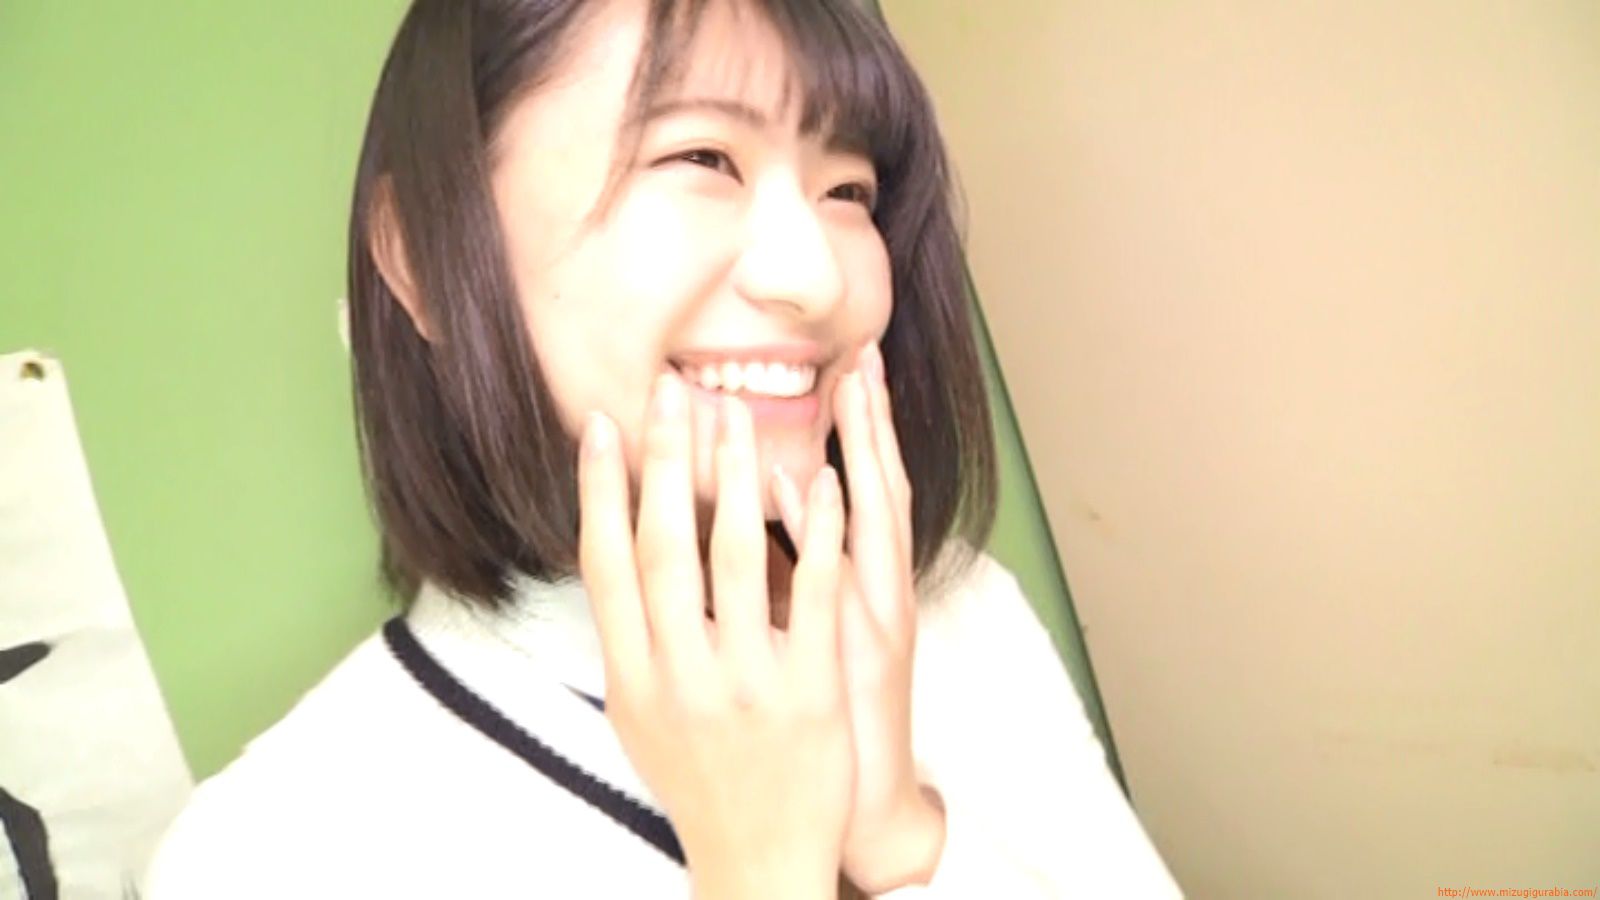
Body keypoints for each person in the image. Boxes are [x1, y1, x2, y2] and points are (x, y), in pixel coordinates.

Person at [143, 0, 1183, 896]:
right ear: (419, 252)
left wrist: (904, 839)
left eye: (849, 190)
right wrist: (762, 872)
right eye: (702, 159)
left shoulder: (957, 609)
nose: (815, 278)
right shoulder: (268, 855)